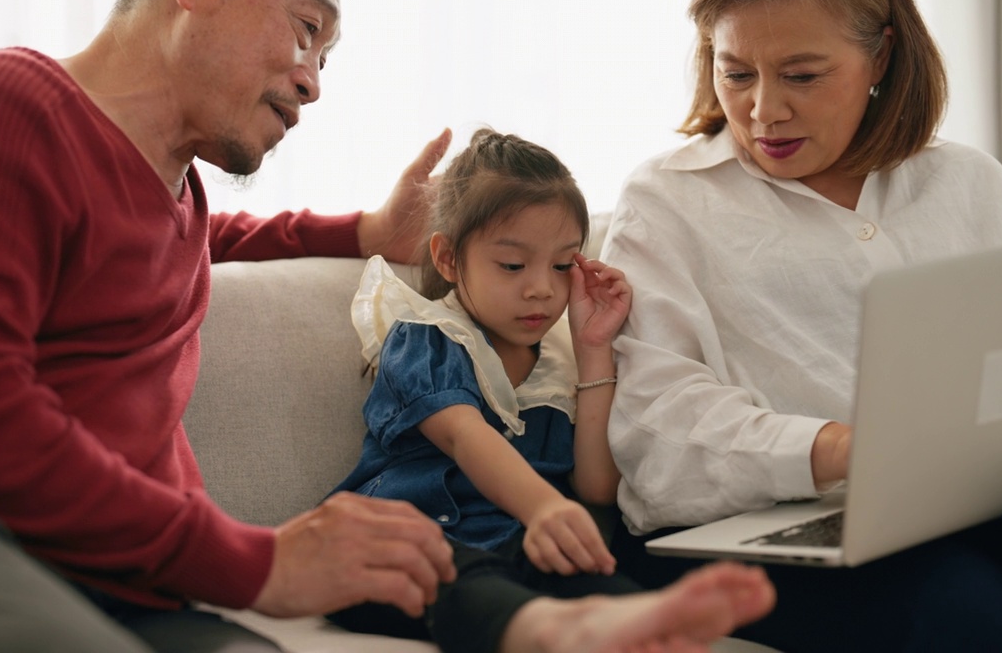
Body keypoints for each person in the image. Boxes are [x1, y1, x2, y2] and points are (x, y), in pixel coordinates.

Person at [0, 0, 462, 651]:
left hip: (109, 581)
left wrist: (369, 230)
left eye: (324, 58)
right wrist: (256, 562)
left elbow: (208, 236)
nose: (313, 82)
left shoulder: (176, 202)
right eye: (306, 30)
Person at [601, 0, 1002, 652]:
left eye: (801, 74)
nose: (763, 112)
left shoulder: (968, 183)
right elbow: (657, 433)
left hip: (969, 498)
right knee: (973, 620)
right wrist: (841, 448)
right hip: (752, 528)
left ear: (881, 56)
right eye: (736, 73)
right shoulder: (667, 201)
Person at [326, 129, 776, 653]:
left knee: (592, 581)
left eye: (563, 265)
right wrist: (543, 507)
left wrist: (592, 349)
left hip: (517, 552)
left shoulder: (559, 361)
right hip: (396, 546)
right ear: (449, 259)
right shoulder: (429, 338)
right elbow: (466, 437)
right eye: (513, 266)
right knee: (457, 575)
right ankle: (564, 625)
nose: (542, 286)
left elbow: (596, 488)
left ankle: (641, 622)